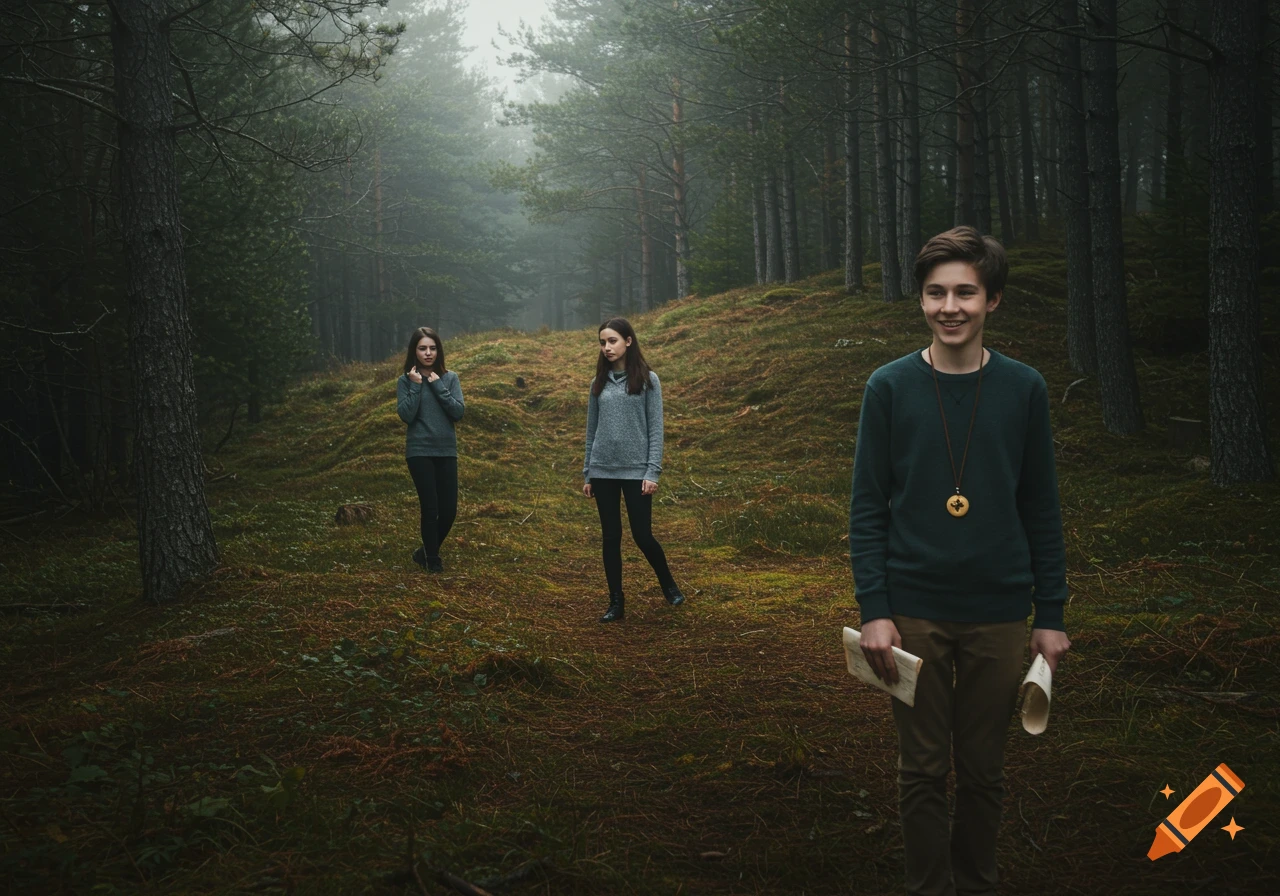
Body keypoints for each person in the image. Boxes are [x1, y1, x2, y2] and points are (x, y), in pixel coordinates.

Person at [848, 227, 1071, 896]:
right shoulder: (888, 387)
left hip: (999, 614)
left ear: (992, 300)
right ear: (920, 300)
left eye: (965, 293)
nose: (951, 306)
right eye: (936, 292)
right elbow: (867, 508)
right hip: (911, 614)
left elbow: (1041, 505)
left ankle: (975, 883)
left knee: (982, 772)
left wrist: (1050, 615)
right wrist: (876, 612)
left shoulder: (1023, 388)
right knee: (920, 770)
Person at [583, 318, 685, 622]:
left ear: (628, 341)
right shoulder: (597, 383)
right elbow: (591, 431)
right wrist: (588, 472)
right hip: (602, 472)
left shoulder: (648, 380)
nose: (606, 348)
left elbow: (656, 430)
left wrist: (652, 472)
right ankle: (616, 601)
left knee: (643, 535)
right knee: (611, 536)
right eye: (602, 342)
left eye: (612, 341)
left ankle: (667, 582)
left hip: (636, 472)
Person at [396, 327, 465, 573]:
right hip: (419, 452)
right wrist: (416, 386)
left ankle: (424, 552)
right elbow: (406, 415)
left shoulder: (450, 378)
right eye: (423, 348)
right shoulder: (405, 381)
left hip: (446, 451)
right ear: (414, 351)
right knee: (431, 508)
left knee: (449, 510)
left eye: (432, 348)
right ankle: (433, 560)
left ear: (439, 350)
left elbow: (458, 412)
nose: (428, 353)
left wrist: (437, 386)